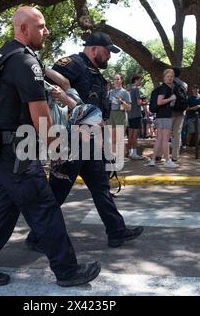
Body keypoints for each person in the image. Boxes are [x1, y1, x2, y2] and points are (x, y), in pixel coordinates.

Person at [0, 7, 101, 287]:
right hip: (16, 150)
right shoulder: (26, 63)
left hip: (1, 146)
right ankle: (67, 271)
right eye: (40, 26)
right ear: (23, 29)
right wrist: (58, 149)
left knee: (5, 209)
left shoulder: (5, 54)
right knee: (44, 207)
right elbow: (41, 115)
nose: (46, 31)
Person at [25, 31, 144, 252]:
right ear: (94, 49)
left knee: (101, 188)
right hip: (71, 141)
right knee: (58, 191)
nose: (109, 56)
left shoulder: (96, 73)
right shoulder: (72, 64)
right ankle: (36, 237)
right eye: (108, 52)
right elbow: (45, 86)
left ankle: (116, 231)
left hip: (91, 140)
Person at [147, 69, 179, 168]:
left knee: (159, 139)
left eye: (171, 76)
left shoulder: (163, 88)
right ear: (164, 77)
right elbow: (159, 102)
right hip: (165, 117)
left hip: (160, 116)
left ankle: (152, 160)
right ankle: (167, 161)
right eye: (168, 76)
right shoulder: (165, 88)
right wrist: (171, 98)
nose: (170, 78)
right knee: (165, 140)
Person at [107, 74, 131, 157]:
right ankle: (113, 157)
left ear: (121, 80)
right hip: (111, 115)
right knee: (112, 139)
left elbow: (129, 108)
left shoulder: (125, 92)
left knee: (120, 139)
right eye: (114, 79)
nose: (116, 81)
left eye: (118, 79)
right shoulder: (110, 92)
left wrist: (121, 102)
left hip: (120, 115)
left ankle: (121, 158)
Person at [127, 74, 145, 160]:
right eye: (140, 80)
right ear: (136, 80)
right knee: (135, 135)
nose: (141, 82)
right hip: (136, 114)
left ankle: (130, 152)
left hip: (129, 115)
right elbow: (138, 103)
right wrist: (144, 102)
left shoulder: (128, 89)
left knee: (130, 135)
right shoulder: (136, 89)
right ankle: (134, 153)